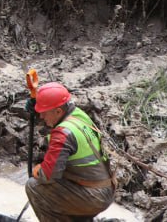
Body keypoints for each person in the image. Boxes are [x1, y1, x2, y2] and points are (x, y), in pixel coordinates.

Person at [26, 82, 116, 222]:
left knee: (34, 186)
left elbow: (49, 176)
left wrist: (39, 171)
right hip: (104, 188)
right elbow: (54, 119)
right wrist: (39, 107)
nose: (41, 116)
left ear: (58, 111)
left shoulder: (63, 134)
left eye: (44, 113)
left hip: (94, 197)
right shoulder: (78, 115)